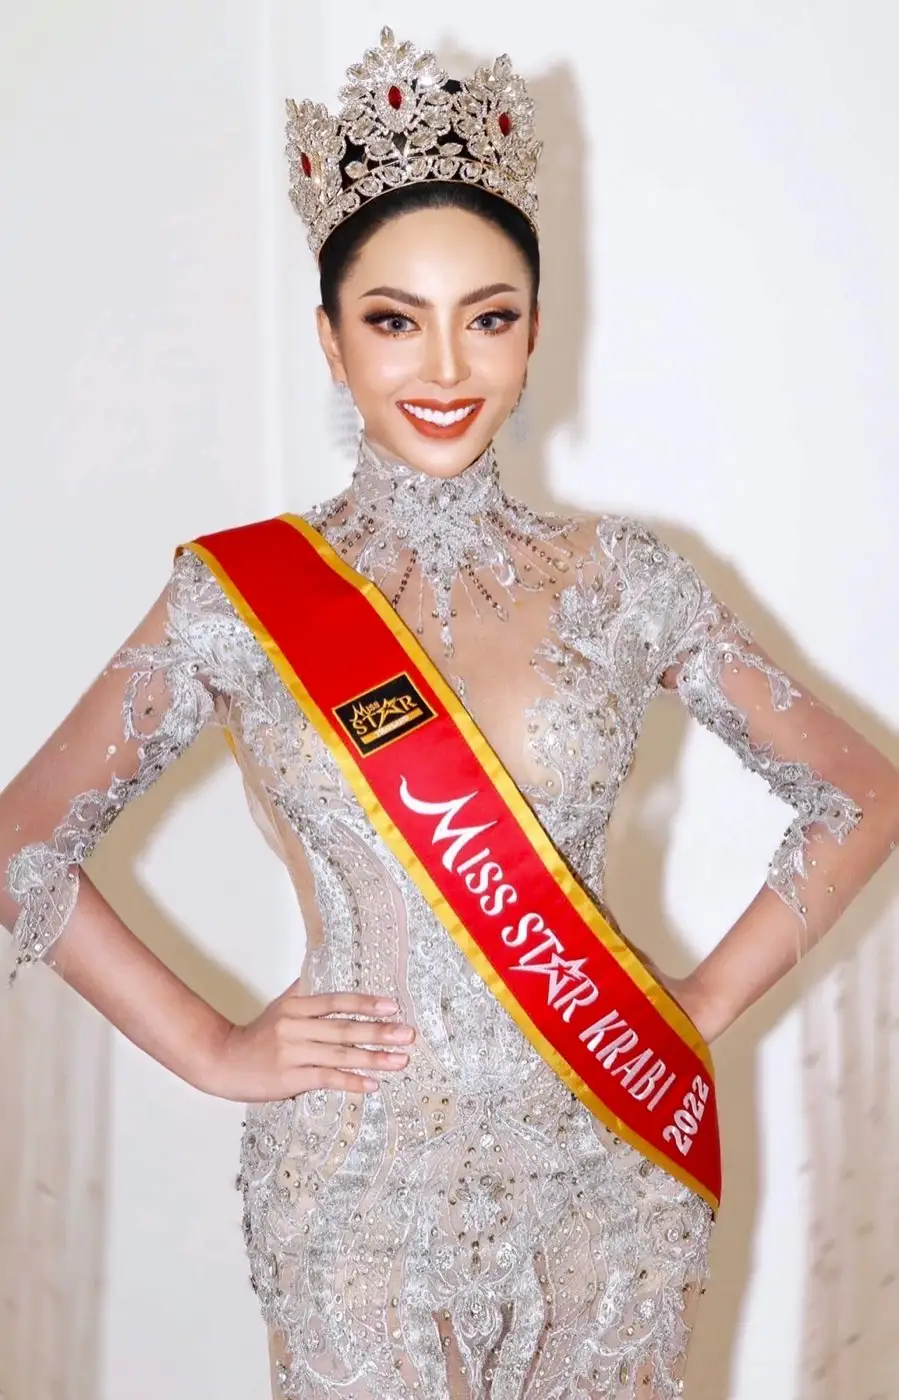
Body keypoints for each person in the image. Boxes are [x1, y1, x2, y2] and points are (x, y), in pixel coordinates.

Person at [2, 24, 898, 1400]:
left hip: (608, 1163)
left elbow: (862, 793)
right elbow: (23, 841)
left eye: (487, 316)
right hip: (352, 1194)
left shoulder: (624, 579)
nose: (444, 366)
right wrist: (215, 1047)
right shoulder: (239, 597)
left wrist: (703, 999)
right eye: (391, 318)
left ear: (535, 329)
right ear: (329, 337)